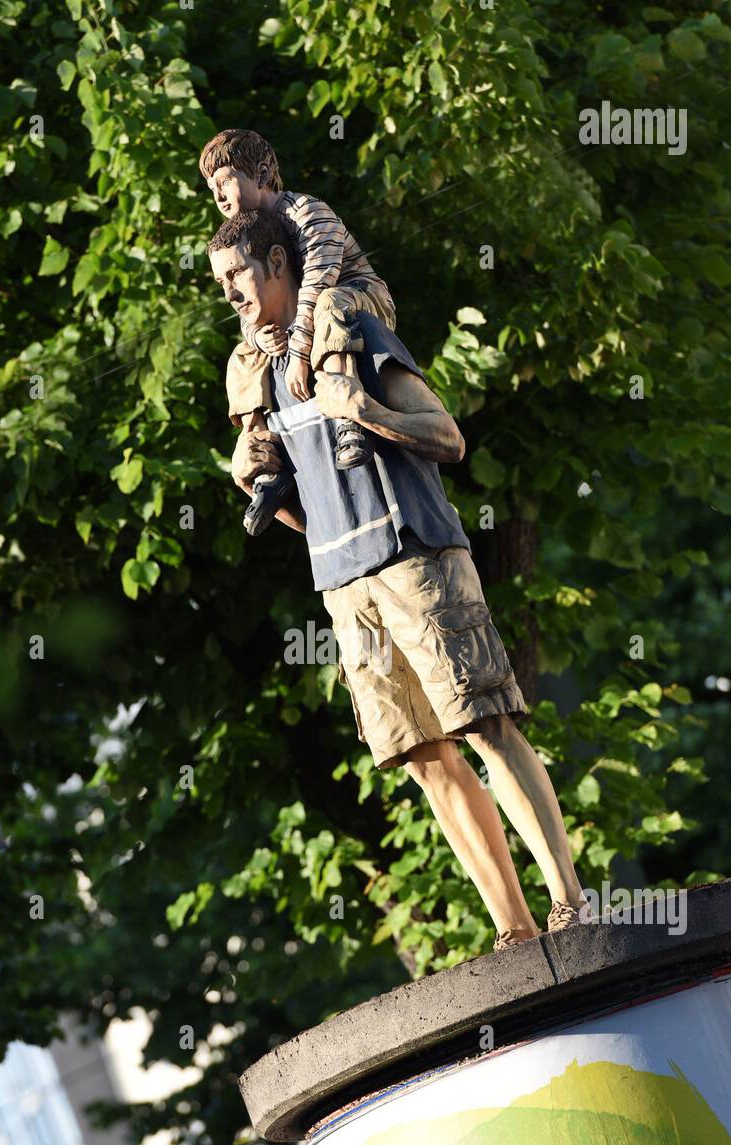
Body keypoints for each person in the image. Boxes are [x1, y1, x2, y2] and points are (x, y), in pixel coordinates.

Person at [207, 208, 590, 951]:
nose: (229, 295)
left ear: (278, 264)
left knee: (481, 724)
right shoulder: (260, 376)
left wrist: (368, 411)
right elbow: (310, 516)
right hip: (345, 586)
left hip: (414, 554)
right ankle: (513, 933)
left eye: (237, 276)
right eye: (218, 283)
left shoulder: (351, 333)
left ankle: (572, 906)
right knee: (420, 757)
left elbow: (446, 436)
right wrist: (247, 480)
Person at [199, 128, 395, 468]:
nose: (219, 197)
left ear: (260, 174)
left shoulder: (308, 214)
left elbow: (316, 287)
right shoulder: (254, 232)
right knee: (245, 352)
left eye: (226, 182)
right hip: (309, 316)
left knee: (329, 303)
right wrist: (257, 335)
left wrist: (299, 356)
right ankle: (262, 453)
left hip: (358, 299)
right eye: (212, 188)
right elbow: (248, 308)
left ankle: (348, 413)